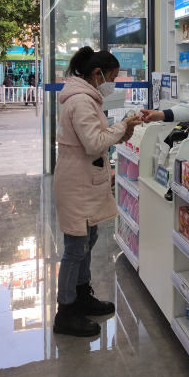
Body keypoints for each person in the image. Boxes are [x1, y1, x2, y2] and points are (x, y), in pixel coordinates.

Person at [53, 46, 141, 338]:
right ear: (97, 73)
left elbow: (97, 138)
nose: (112, 83)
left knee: (87, 240)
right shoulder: (81, 100)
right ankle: (66, 311)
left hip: (83, 178)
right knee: (75, 247)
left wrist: (123, 130)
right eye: (112, 77)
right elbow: (93, 143)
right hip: (76, 182)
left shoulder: (87, 97)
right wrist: (122, 126)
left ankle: (81, 296)